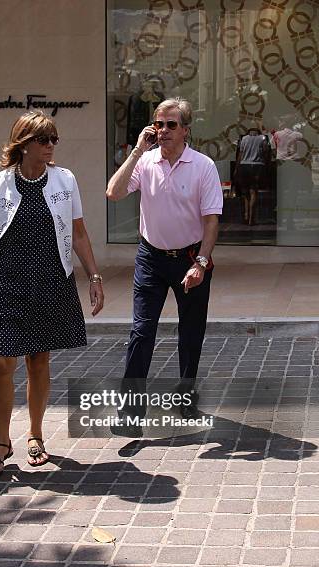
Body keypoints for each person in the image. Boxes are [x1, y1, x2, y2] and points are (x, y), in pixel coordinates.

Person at [0, 111, 104, 478]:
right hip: (6, 281)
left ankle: (35, 435)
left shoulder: (64, 179)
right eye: (43, 140)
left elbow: (79, 233)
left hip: (51, 280)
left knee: (39, 360)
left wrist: (94, 276)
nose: (51, 146)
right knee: (3, 360)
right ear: (23, 144)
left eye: (54, 140)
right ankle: (2, 442)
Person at [106, 98, 222, 431]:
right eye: (158, 124)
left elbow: (211, 221)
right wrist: (136, 151)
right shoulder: (145, 162)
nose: (163, 131)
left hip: (190, 257)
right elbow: (113, 192)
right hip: (151, 258)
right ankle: (130, 413)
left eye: (171, 125)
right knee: (141, 331)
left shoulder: (203, 166)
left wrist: (200, 263)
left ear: (185, 130)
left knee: (190, 333)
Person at [234, 128, 270, 226]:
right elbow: (266, 153)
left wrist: (236, 168)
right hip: (257, 166)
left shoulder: (244, 139)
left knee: (245, 193)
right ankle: (251, 218)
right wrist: (267, 165)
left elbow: (240, 154)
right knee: (253, 192)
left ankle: (246, 216)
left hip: (244, 166)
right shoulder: (262, 138)